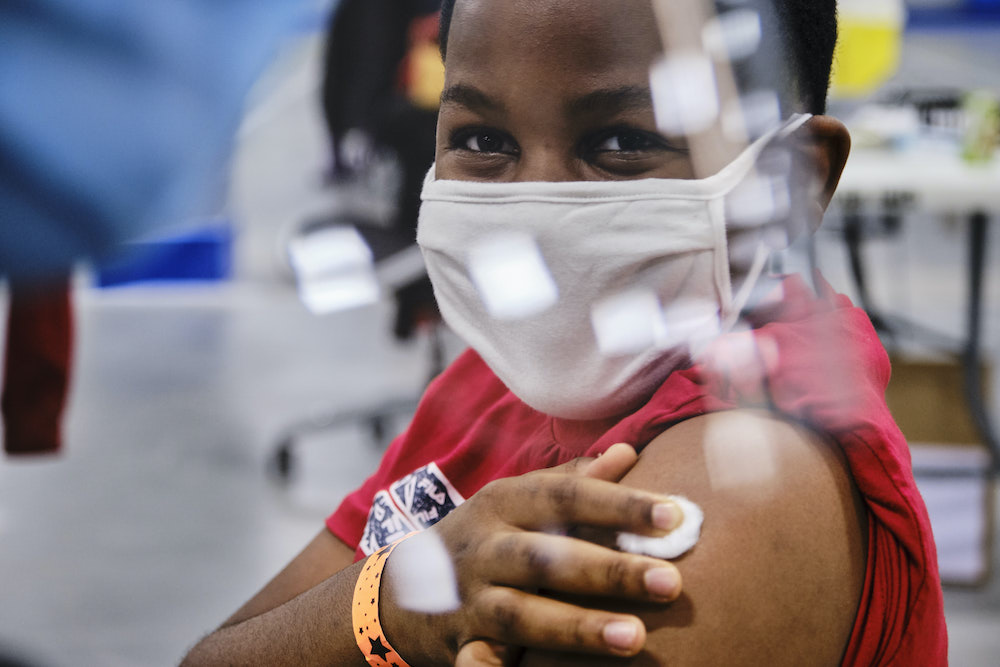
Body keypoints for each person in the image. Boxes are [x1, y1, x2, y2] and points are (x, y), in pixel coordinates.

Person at [183, 0, 947, 665]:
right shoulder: (493, 383)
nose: (535, 207)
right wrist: (390, 604)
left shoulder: (745, 479)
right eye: (483, 141)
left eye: (619, 144)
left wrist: (351, 623)